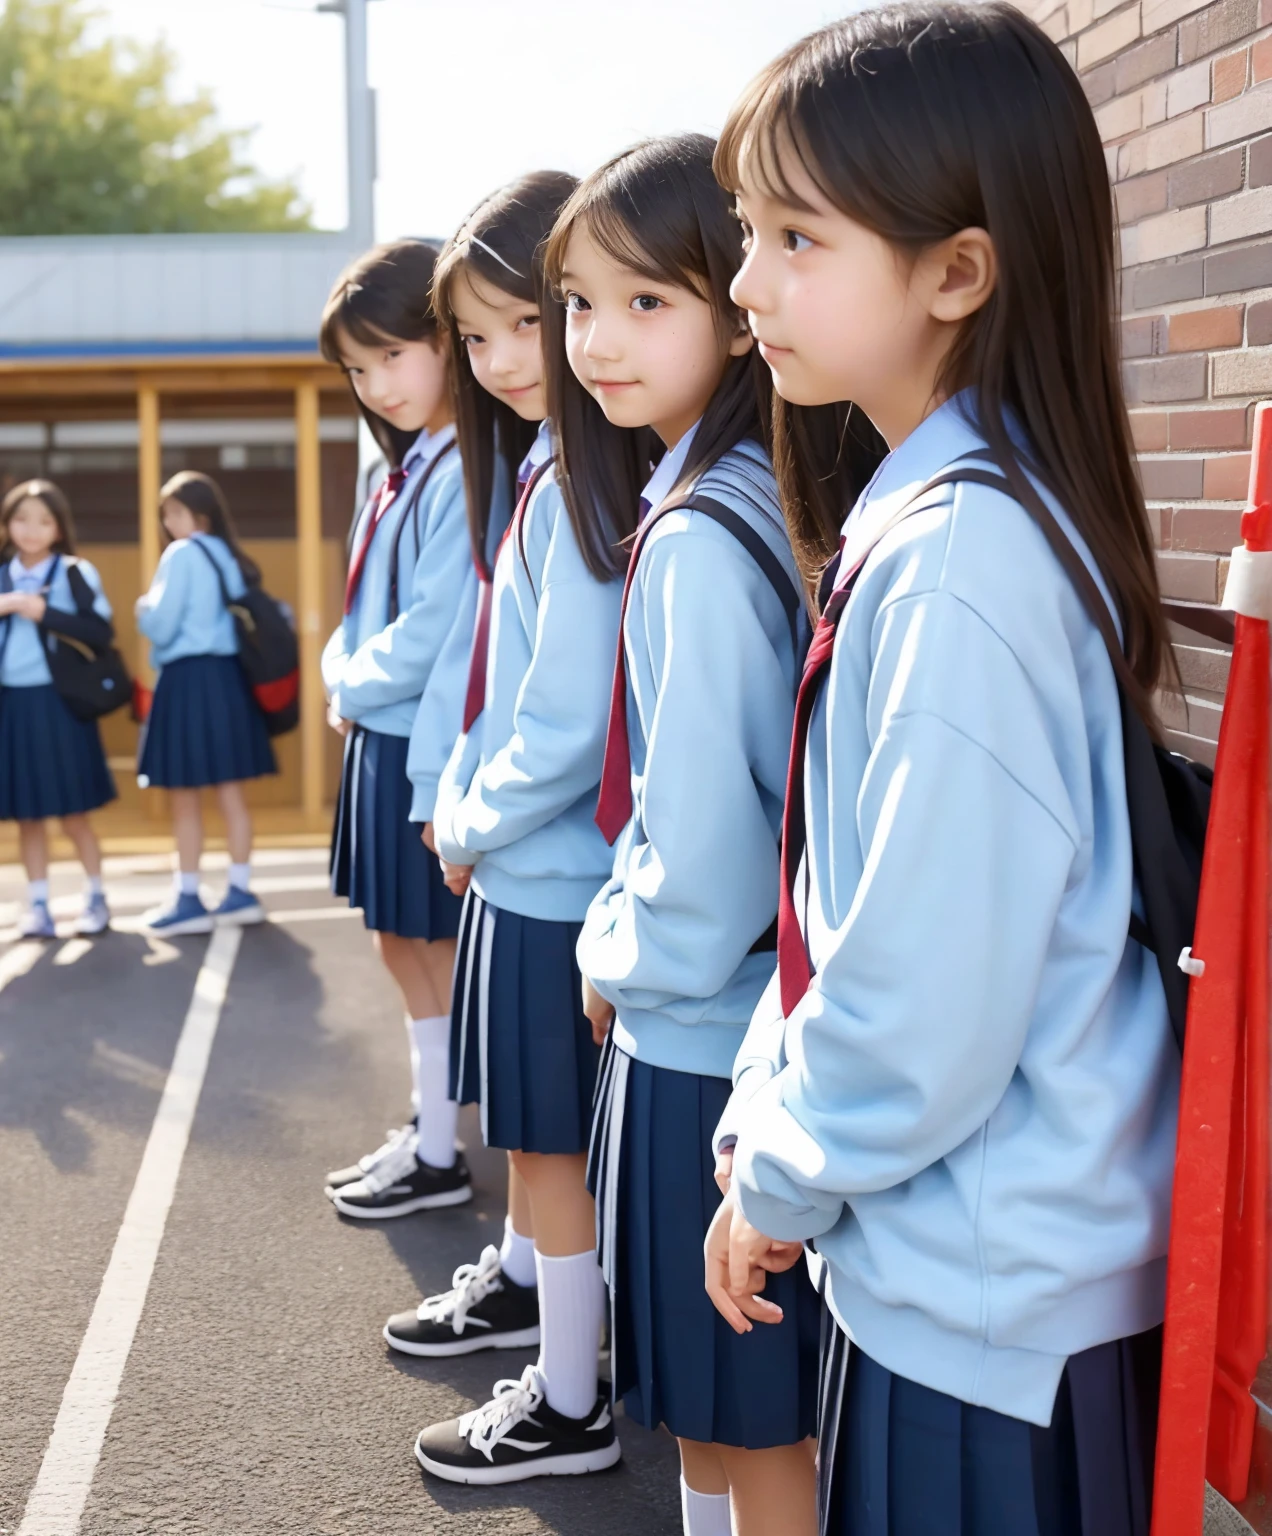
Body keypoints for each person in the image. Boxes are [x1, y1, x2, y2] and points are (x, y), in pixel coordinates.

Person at [704, 9, 1179, 1534]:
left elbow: (919, 997)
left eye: (796, 237)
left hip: (987, 1309)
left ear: (957, 271)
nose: (745, 283)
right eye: (744, 229)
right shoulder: (958, 519)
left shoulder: (962, 557)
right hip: (982, 1275)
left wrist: (772, 1175)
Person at [567, 134, 880, 1536]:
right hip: (739, 1026)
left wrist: (609, 947)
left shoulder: (702, 528)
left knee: (748, 1436)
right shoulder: (748, 491)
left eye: (647, 302)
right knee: (725, 1424)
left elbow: (696, 855)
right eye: (580, 301)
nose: (596, 341)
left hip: (706, 1043)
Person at [408, 169, 630, 1484]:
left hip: (550, 873)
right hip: (535, 865)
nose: (498, 363)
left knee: (549, 1149)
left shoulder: (583, 484)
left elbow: (561, 723)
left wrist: (468, 817)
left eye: (521, 324)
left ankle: (568, 1398)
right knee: (542, 1151)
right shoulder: (556, 467)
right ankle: (565, 1369)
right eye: (473, 338)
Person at [320, 240, 475, 1219]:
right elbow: (369, 619)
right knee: (397, 941)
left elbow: (429, 634)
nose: (377, 385)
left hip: (418, 747)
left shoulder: (461, 470)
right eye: (358, 369)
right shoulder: (406, 469)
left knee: (435, 948)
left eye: (393, 356)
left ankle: (445, 1143)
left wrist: (345, 677)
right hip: (382, 738)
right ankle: (433, 1127)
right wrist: (347, 670)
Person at [136, 471, 273, 935]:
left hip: (188, 680)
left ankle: (189, 896)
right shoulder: (226, 555)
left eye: (175, 511)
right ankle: (239, 891)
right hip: (228, 680)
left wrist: (143, 609)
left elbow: (161, 625)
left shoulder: (180, 554)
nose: (170, 522)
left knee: (185, 797)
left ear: (198, 512)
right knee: (232, 794)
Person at [0, 479, 115, 938]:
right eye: (22, 519)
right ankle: (39, 906)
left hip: (60, 704)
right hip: (12, 704)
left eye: (43, 520)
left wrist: (40, 611)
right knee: (27, 815)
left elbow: (101, 632)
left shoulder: (73, 572)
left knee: (74, 812)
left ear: (59, 527)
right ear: (8, 524)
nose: (31, 529)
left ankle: (96, 896)